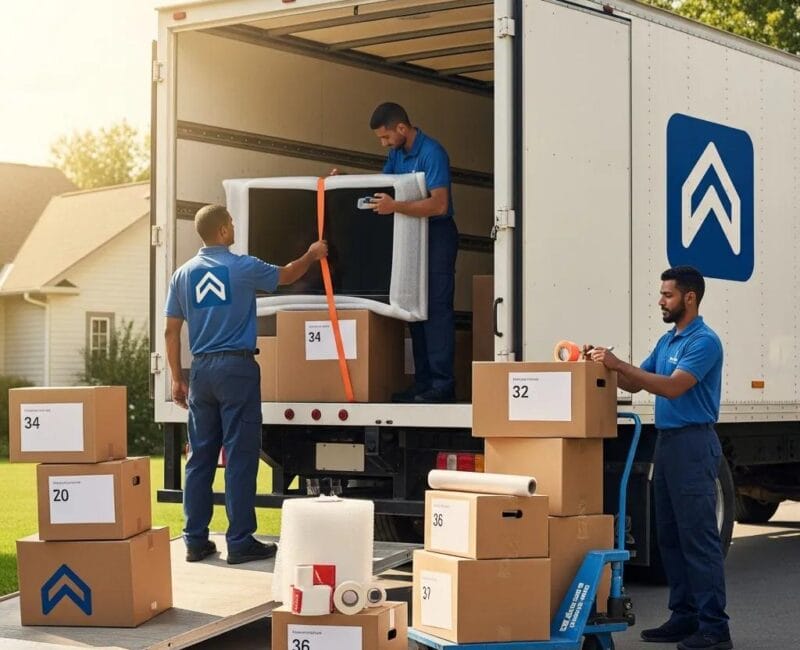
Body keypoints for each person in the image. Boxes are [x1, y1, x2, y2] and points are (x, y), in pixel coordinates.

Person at [165, 204, 327, 564]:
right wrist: (312, 254)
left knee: (200, 458)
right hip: (236, 370)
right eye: (232, 225)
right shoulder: (242, 266)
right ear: (223, 231)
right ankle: (239, 541)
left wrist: (177, 377)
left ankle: (195, 540)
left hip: (201, 371)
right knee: (239, 456)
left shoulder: (182, 275)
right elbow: (286, 275)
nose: (235, 228)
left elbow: (171, 331)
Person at [589, 266, 732, 650]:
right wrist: (603, 364)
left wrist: (621, 365)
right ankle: (684, 617)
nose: (660, 301)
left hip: (694, 445)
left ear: (690, 297)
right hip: (667, 445)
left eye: (667, 295)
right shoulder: (668, 342)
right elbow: (636, 382)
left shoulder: (704, 342)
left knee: (699, 540)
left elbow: (672, 387)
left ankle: (715, 628)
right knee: (669, 537)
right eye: (661, 294)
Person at [367, 102, 458, 403]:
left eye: (385, 137)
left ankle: (442, 385)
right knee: (414, 310)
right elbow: (384, 188)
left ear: (402, 129)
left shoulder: (432, 153)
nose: (384, 144)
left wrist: (396, 208)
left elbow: (439, 204)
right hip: (411, 236)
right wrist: (340, 183)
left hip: (437, 236)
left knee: (436, 310)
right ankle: (423, 383)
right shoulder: (396, 154)